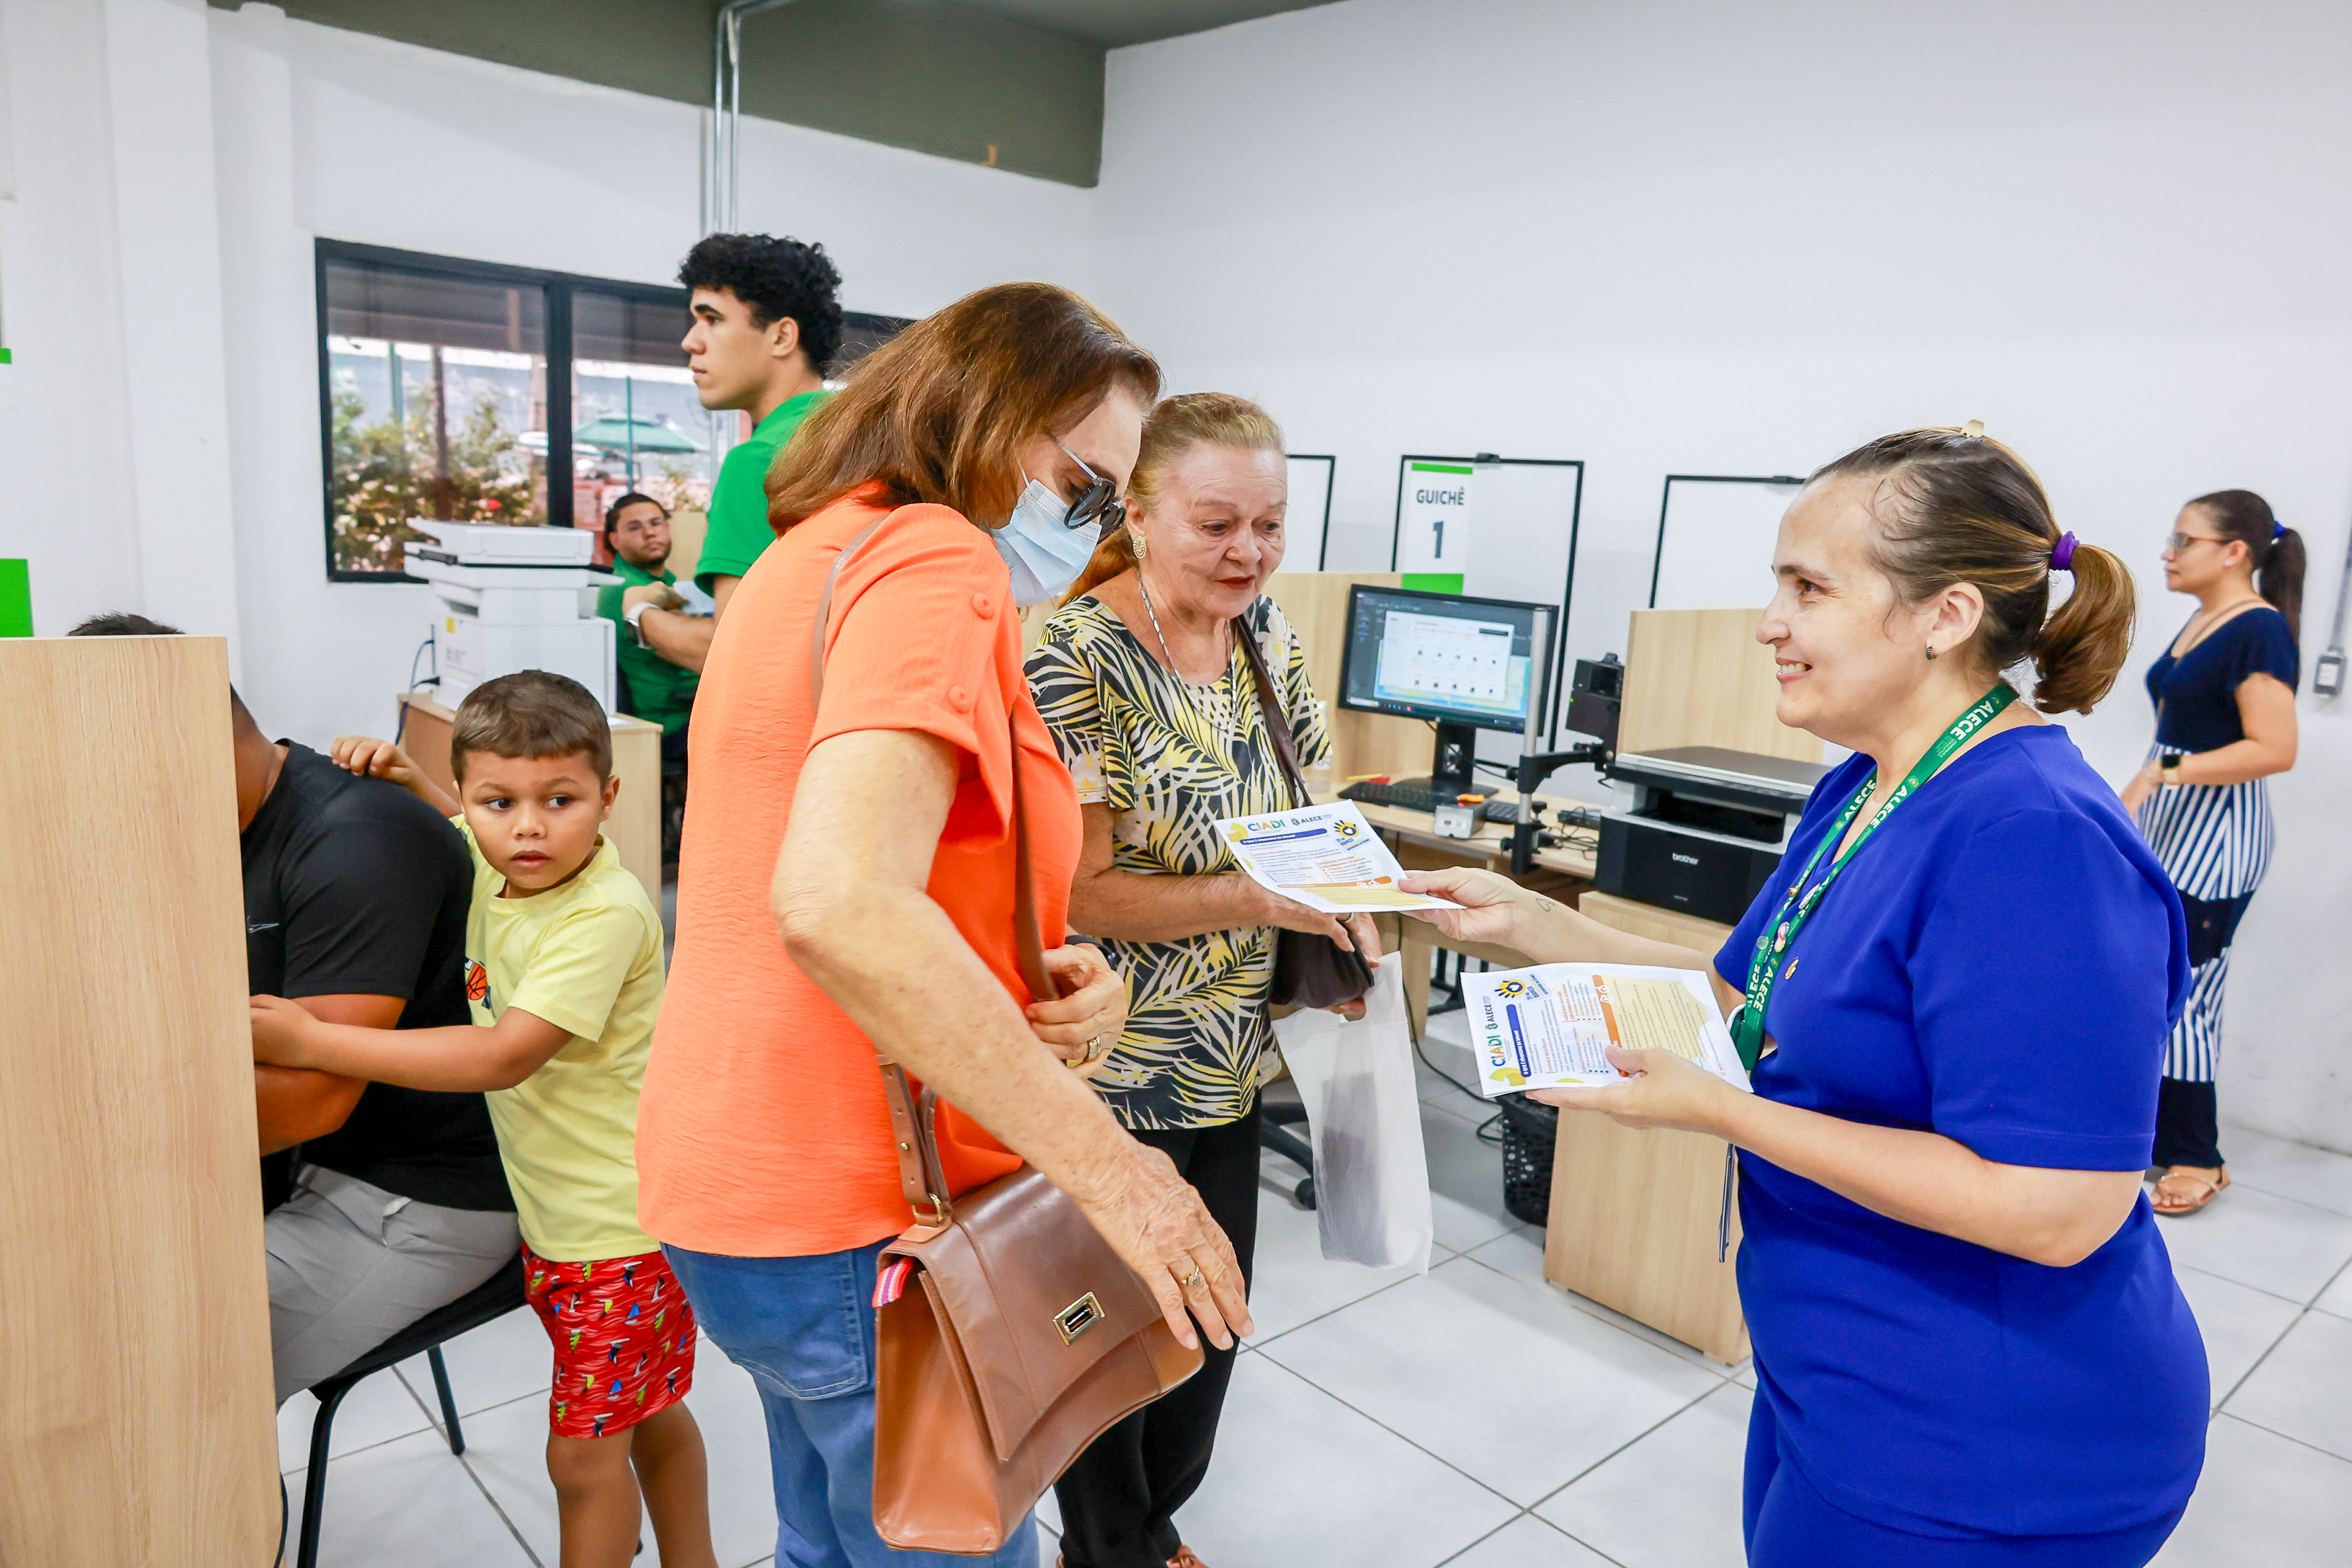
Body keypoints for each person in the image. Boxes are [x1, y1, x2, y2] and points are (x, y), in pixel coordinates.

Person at [1401, 429, 2206, 1568]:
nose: (1769, 621)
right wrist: (1536, 926)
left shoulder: (2031, 840)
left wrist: (1717, 1107)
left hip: (1985, 1441)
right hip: (1836, 1369)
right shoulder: (1872, 781)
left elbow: (2055, 1205)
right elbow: (1744, 988)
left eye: (1808, 588)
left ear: (1944, 615)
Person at [634, 282, 1253, 1568]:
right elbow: (840, 900)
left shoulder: (816, 546)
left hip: (734, 1169)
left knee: (825, 1538)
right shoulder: (935, 553)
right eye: (1081, 482)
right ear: (988, 412)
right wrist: (1118, 1170)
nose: (1084, 527)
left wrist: (1029, 961)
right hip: (852, 1197)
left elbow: (814, 859)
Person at [249, 671, 718, 1568]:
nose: (530, 827)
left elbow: (503, 1055)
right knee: (648, 1410)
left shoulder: (602, 913)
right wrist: (408, 784)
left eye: (561, 800)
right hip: (565, 1225)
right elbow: (460, 836)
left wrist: (318, 1040)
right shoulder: (499, 860)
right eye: (499, 802)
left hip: (618, 1237)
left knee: (583, 1457)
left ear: (610, 798)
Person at [1026, 392, 1378, 1568]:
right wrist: (1252, 896)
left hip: (1229, 1058)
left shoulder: (1266, 635)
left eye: (1269, 525)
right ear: (1137, 509)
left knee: (1207, 1337)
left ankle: (1153, 1529)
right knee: (1106, 1357)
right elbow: (1077, 893)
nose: (1247, 552)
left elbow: (1314, 799)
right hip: (1103, 1072)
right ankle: (1115, 1548)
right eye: (1217, 523)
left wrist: (1357, 893)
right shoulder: (1072, 658)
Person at [65, 612, 518, 1404]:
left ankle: (215, 1524)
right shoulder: (219, 826)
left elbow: (312, 1099)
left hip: (418, 1197)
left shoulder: (357, 841)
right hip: (300, 1167)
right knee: (67, 1300)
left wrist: (88, 1133)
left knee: (153, 1384)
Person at [2117, 490, 2302, 1215]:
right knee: (2156, 983)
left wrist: (2159, 774)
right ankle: (2155, 1135)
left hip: (2218, 840)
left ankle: (2198, 1156)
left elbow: (2274, 747)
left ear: (2235, 552)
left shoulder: (2259, 631)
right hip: (2174, 828)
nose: (2168, 550)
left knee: (2188, 993)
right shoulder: (2209, 618)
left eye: (2184, 539)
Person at [625, 233, 843, 672]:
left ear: (782, 336)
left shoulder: (762, 460)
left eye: (712, 319)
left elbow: (734, 652)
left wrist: (639, 616)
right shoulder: (870, 438)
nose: (691, 341)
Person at [596, 491, 700, 747]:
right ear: (615, 540)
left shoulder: (661, 583)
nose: (650, 533)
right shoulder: (625, 589)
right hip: (669, 722)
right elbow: (697, 654)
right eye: (635, 527)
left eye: (656, 523)